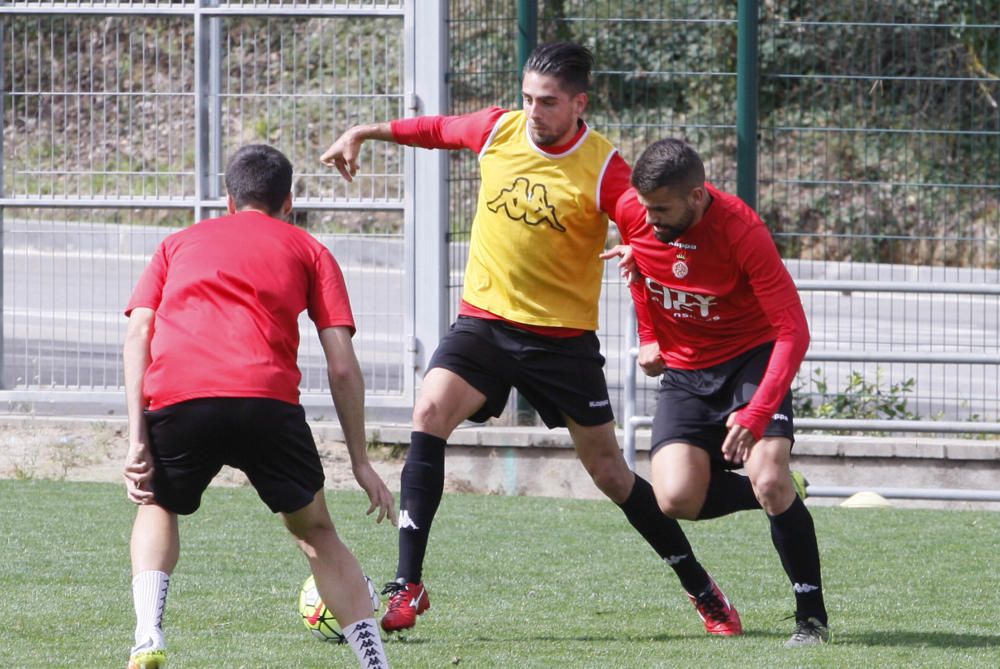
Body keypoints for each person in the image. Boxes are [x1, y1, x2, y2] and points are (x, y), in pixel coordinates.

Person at [319, 41, 754, 638]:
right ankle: (408, 585)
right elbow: (433, 129)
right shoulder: (498, 130)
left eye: (547, 102)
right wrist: (363, 132)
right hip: (486, 324)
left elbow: (648, 246)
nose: (533, 112)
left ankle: (702, 590)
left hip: (561, 343)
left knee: (611, 474)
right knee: (428, 411)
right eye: (527, 98)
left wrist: (652, 328)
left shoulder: (608, 170)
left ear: (580, 103)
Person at [122, 144, 395, 669]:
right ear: (288, 201)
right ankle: (375, 663)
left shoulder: (176, 243)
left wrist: (138, 439)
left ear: (228, 200)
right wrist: (361, 462)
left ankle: (148, 637)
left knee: (158, 505)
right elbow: (342, 365)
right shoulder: (311, 249)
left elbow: (139, 333)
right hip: (266, 402)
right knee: (315, 532)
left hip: (181, 397)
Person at [602, 137, 829, 647]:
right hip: (686, 372)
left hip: (751, 360)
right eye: (643, 209)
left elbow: (794, 330)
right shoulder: (638, 211)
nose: (649, 218)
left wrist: (756, 413)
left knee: (769, 478)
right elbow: (642, 269)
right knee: (675, 498)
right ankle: (783, 493)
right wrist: (649, 337)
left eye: (661, 209)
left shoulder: (742, 231)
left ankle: (811, 619)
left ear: (698, 197)